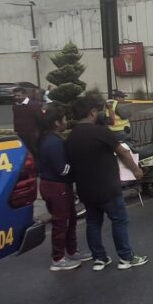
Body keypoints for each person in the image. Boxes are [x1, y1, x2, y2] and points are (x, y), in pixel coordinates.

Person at [65, 95, 146, 271]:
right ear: (92, 112)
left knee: (93, 223)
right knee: (119, 220)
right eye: (98, 110)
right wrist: (136, 170)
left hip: (85, 189)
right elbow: (123, 153)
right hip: (107, 187)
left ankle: (99, 259)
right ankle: (126, 258)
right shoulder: (100, 132)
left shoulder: (72, 136)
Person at [37, 105, 89, 271]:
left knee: (71, 219)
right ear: (57, 123)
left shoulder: (51, 138)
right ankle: (58, 259)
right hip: (55, 186)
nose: (66, 122)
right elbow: (62, 169)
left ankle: (72, 251)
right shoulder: (52, 142)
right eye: (64, 119)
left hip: (59, 185)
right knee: (62, 222)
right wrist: (77, 170)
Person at [12, 86, 44, 155]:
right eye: (15, 96)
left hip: (32, 135)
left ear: (25, 95)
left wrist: (38, 133)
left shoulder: (34, 105)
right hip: (20, 134)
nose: (16, 97)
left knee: (34, 152)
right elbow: (15, 119)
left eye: (18, 95)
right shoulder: (15, 105)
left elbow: (40, 119)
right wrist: (16, 131)